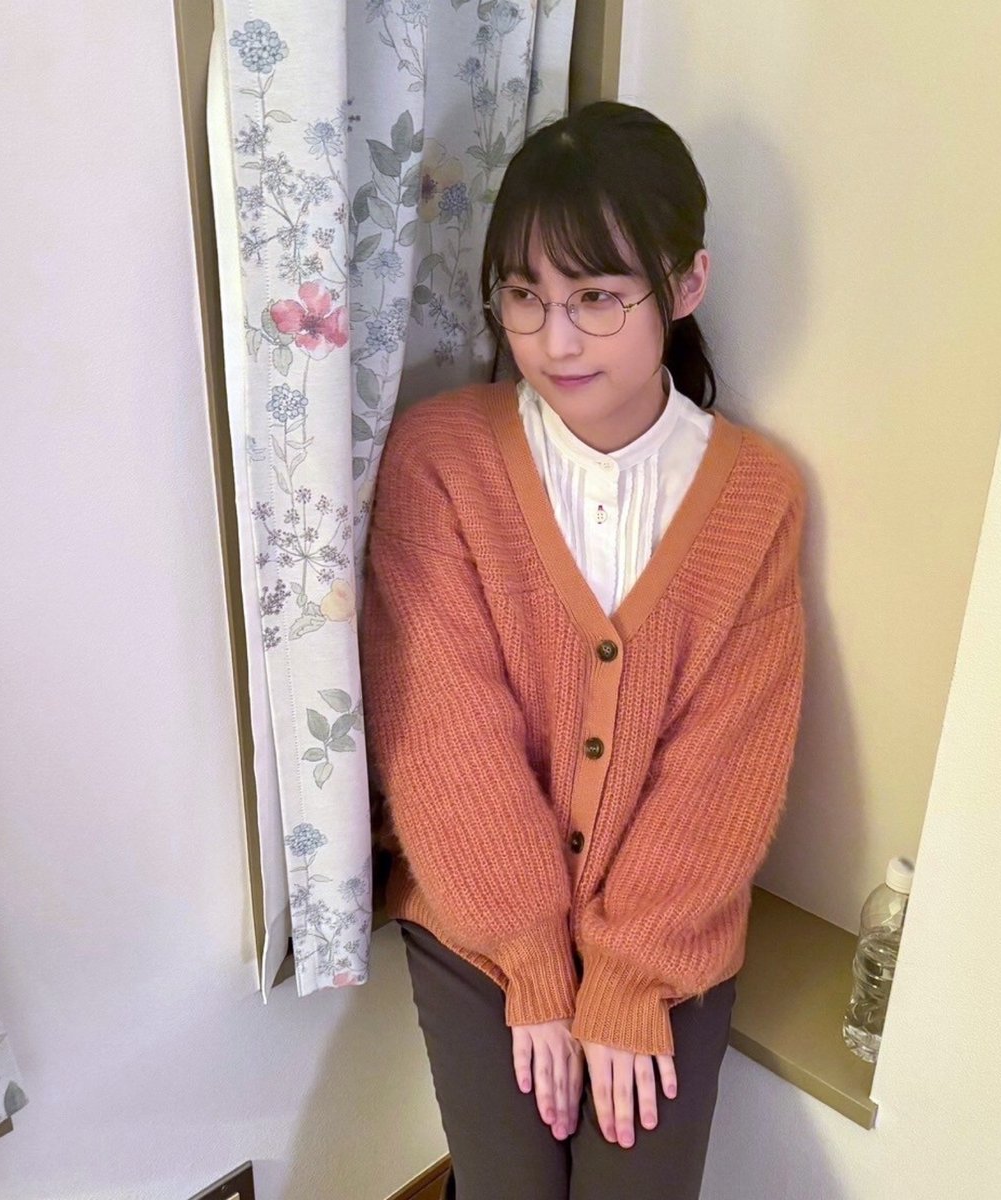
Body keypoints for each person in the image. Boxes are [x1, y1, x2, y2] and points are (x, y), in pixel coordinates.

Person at [360, 100, 807, 1200]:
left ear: (685, 285)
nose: (554, 341)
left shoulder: (756, 496)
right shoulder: (441, 459)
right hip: (476, 914)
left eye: (597, 298)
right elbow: (443, 731)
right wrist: (529, 960)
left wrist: (631, 978)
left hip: (669, 926)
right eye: (525, 297)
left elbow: (727, 765)